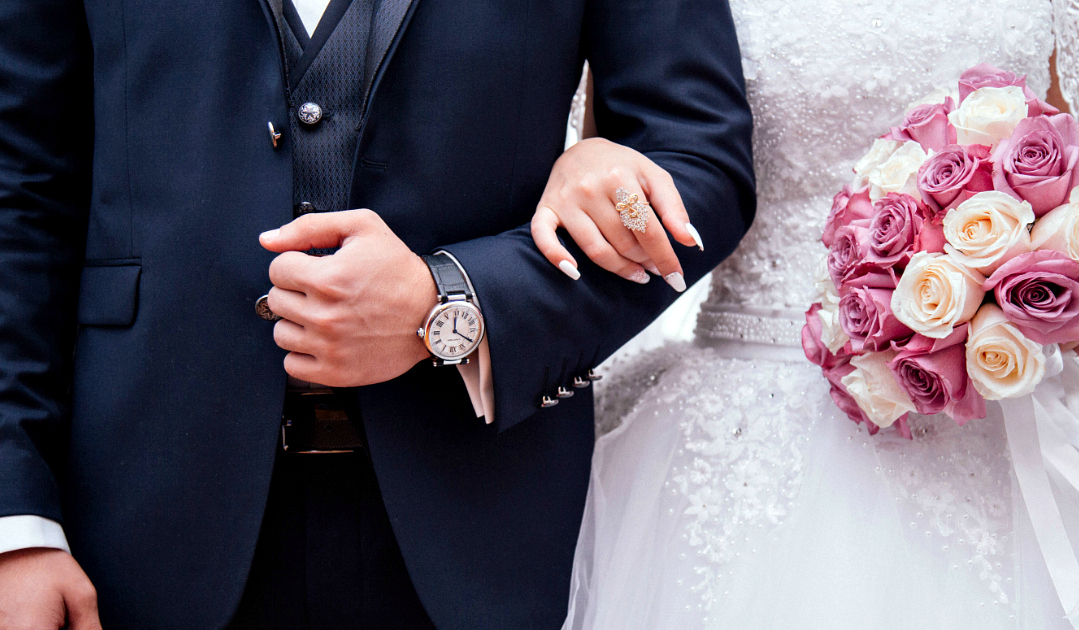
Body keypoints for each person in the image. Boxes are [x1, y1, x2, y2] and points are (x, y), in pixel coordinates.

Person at [0, 0, 755, 627]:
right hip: (137, 522)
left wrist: (457, 303)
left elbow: (699, 166)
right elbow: (20, 188)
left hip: (481, 520)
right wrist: (14, 521)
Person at [530, 0, 1079, 628]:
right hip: (743, 417)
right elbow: (629, 184)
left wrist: (1073, 278)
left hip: (1001, 394)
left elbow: (1072, 157)